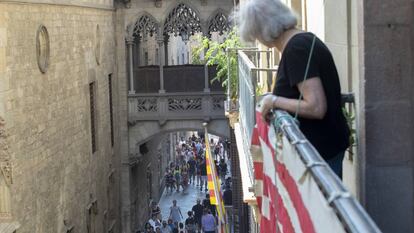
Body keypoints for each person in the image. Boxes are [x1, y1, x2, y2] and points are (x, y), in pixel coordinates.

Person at [238, 0, 350, 179]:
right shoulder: (302, 40)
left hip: (319, 157)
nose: (258, 39)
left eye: (255, 34)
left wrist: (273, 101)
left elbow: (316, 107)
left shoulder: (296, 49)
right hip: (322, 151)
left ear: (264, 30)